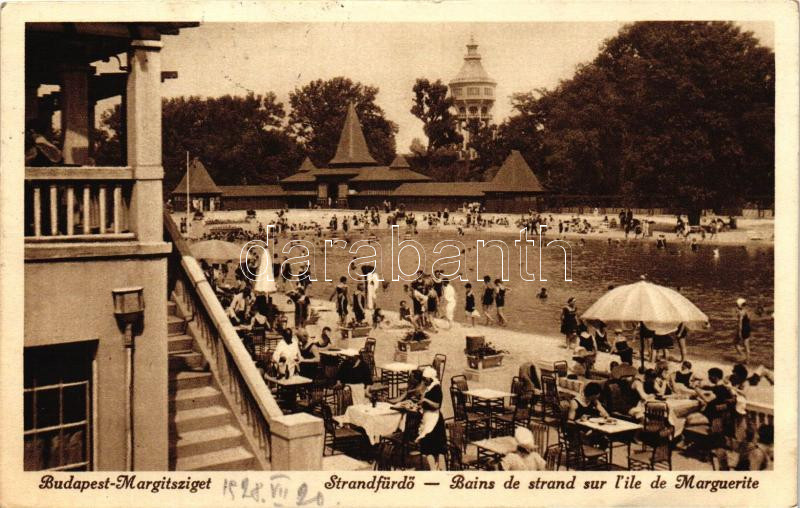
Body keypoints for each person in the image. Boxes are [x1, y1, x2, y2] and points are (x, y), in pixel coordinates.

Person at [415, 367, 447, 471]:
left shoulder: (436, 388)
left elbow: (437, 405)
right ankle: (435, 469)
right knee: (432, 448)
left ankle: (439, 470)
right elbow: (420, 394)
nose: (424, 381)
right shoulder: (429, 387)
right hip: (428, 419)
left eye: (425, 379)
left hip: (435, 421)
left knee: (434, 448)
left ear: (430, 378)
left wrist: (425, 400)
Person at [734, 297, 751, 363]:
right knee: (746, 345)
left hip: (743, 328)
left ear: (739, 305)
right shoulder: (747, 311)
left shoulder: (741, 312)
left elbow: (740, 323)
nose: (736, 306)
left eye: (737, 305)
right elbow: (748, 320)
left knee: (735, 343)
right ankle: (748, 360)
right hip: (748, 328)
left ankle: (743, 356)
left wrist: (739, 332)